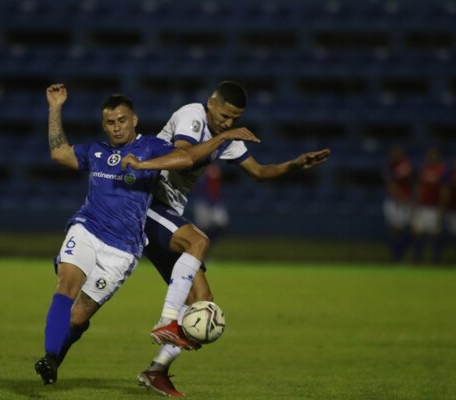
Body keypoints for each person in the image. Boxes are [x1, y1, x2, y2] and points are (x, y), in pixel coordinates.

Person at [34, 83, 258, 385]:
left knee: (78, 317)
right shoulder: (95, 152)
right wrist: (55, 108)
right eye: (111, 123)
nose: (116, 128)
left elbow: (187, 158)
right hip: (86, 229)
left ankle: (57, 360)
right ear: (104, 125)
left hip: (122, 250)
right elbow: (59, 153)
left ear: (135, 120)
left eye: (122, 121)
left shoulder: (150, 146)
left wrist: (144, 164)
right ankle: (49, 357)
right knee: (66, 283)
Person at [135, 81, 330, 397]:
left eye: (234, 119)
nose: (228, 123)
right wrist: (224, 137)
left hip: (169, 214)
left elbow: (259, 173)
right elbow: (185, 155)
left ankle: (156, 371)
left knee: (203, 305)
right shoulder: (192, 116)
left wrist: (294, 165)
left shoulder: (226, 137)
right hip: (145, 203)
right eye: (225, 115)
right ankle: (166, 321)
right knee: (198, 241)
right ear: (211, 102)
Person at [410, 146, 446, 265]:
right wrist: (415, 204)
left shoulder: (441, 169)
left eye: (434, 155)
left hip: (434, 207)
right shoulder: (422, 169)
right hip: (422, 206)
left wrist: (442, 206)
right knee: (418, 232)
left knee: (434, 234)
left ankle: (435, 259)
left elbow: (444, 190)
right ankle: (417, 258)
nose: (431, 157)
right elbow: (417, 187)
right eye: (430, 155)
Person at [382, 145, 413, 262]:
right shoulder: (388, 165)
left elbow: (411, 182)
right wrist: (399, 197)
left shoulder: (406, 164)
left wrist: (408, 198)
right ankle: (395, 256)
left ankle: (401, 255)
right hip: (393, 201)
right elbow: (390, 184)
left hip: (406, 200)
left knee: (410, 229)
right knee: (394, 229)